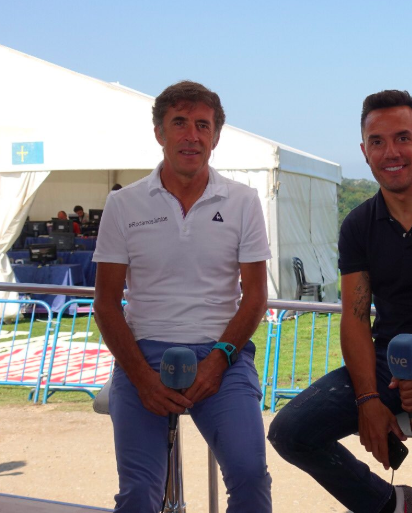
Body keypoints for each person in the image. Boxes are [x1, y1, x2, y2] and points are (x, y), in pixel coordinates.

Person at [268, 90, 412, 513]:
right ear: (364, 151)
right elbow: (355, 319)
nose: (390, 152)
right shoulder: (358, 226)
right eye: (377, 141)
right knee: (290, 432)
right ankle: (390, 504)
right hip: (386, 364)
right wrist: (367, 399)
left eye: (402, 138)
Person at [92, 80, 272, 512]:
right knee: (139, 493)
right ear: (159, 133)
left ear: (216, 137)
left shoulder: (244, 201)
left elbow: (255, 298)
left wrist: (219, 359)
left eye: (203, 125)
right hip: (143, 354)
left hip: (223, 356)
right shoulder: (124, 204)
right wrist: (141, 378)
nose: (192, 135)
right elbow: (105, 302)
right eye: (180, 123)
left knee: (250, 477)